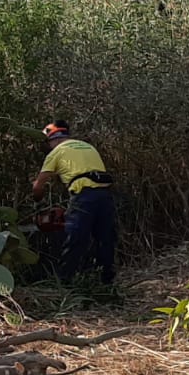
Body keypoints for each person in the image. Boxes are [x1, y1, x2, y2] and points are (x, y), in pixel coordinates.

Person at [32, 120, 116, 284]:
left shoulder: (56, 152)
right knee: (105, 239)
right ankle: (106, 282)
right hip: (104, 196)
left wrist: (37, 201)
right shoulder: (87, 146)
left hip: (84, 197)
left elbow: (38, 186)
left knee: (74, 238)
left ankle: (65, 282)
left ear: (52, 140)